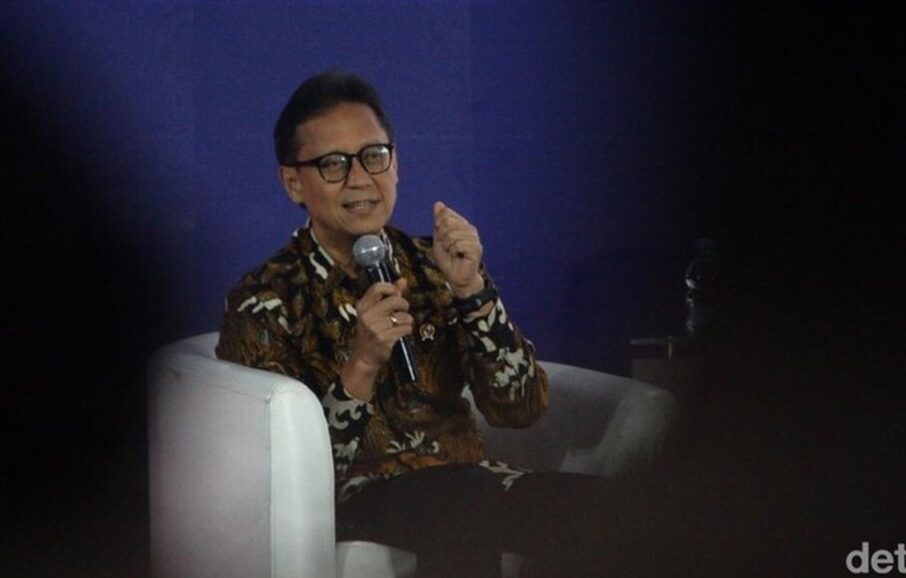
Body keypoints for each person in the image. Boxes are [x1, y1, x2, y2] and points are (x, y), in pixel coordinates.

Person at [216, 70, 636, 577]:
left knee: (610, 510)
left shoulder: (433, 264)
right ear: (292, 182)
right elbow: (283, 476)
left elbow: (521, 408)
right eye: (333, 164)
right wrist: (361, 364)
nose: (359, 179)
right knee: (461, 504)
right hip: (357, 497)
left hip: (469, 481)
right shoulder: (265, 299)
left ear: (395, 164)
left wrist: (472, 291)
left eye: (374, 156)